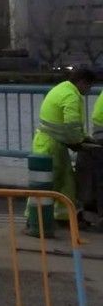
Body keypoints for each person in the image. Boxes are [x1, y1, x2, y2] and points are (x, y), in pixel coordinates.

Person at [31, 68, 97, 227]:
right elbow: (72, 126)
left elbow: (71, 126)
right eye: (88, 86)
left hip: (52, 142)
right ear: (82, 82)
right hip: (51, 145)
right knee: (47, 184)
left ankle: (63, 218)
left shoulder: (62, 88)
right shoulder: (71, 96)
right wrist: (79, 142)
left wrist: (83, 138)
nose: (88, 90)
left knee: (66, 182)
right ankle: (35, 221)